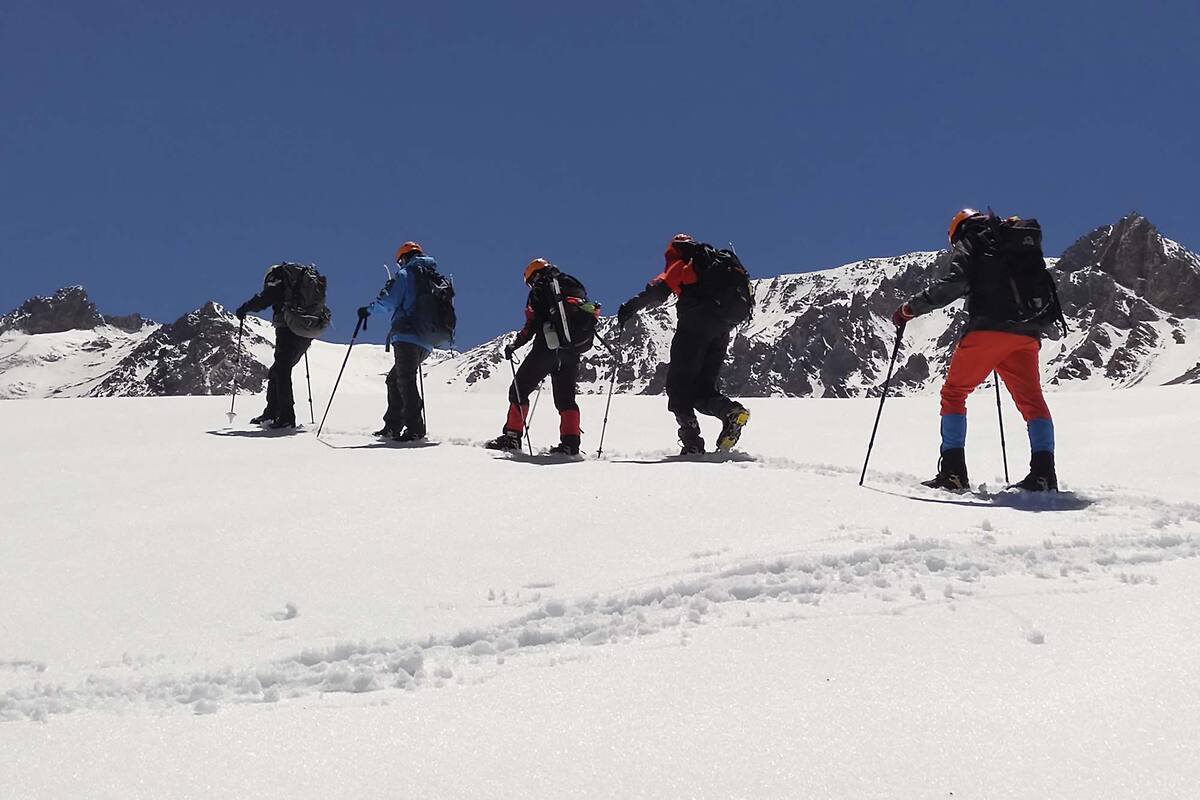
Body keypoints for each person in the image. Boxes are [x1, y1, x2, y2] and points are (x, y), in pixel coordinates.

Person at [893, 208, 1060, 492]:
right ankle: (1044, 474)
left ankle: (953, 473)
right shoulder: (1012, 244)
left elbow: (957, 282)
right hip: (1028, 333)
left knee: (954, 394)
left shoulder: (972, 241)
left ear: (957, 230)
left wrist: (911, 308)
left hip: (988, 330)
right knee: (1032, 402)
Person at [617, 233, 750, 455]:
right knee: (702, 391)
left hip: (694, 327)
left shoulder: (683, 263)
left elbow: (658, 291)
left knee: (678, 386)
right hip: (722, 331)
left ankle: (692, 443)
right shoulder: (714, 265)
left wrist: (629, 307)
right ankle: (730, 411)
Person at [485, 258, 587, 456]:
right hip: (572, 351)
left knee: (519, 389)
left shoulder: (541, 288)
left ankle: (513, 437)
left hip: (547, 348)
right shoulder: (572, 284)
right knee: (566, 400)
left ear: (534, 275)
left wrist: (516, 344)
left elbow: (531, 323)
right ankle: (571, 444)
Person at [357, 242, 435, 442]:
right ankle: (393, 425)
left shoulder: (406, 275)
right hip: (427, 339)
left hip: (407, 335)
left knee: (405, 380)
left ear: (403, 258)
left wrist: (368, 310)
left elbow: (389, 302)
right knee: (395, 379)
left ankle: (414, 429)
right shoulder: (432, 277)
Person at [235, 264, 313, 429]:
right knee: (278, 370)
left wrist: (246, 308)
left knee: (281, 370)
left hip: (288, 328)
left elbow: (266, 297)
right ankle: (272, 413)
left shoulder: (278, 276)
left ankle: (285, 417)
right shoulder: (300, 283)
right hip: (306, 329)